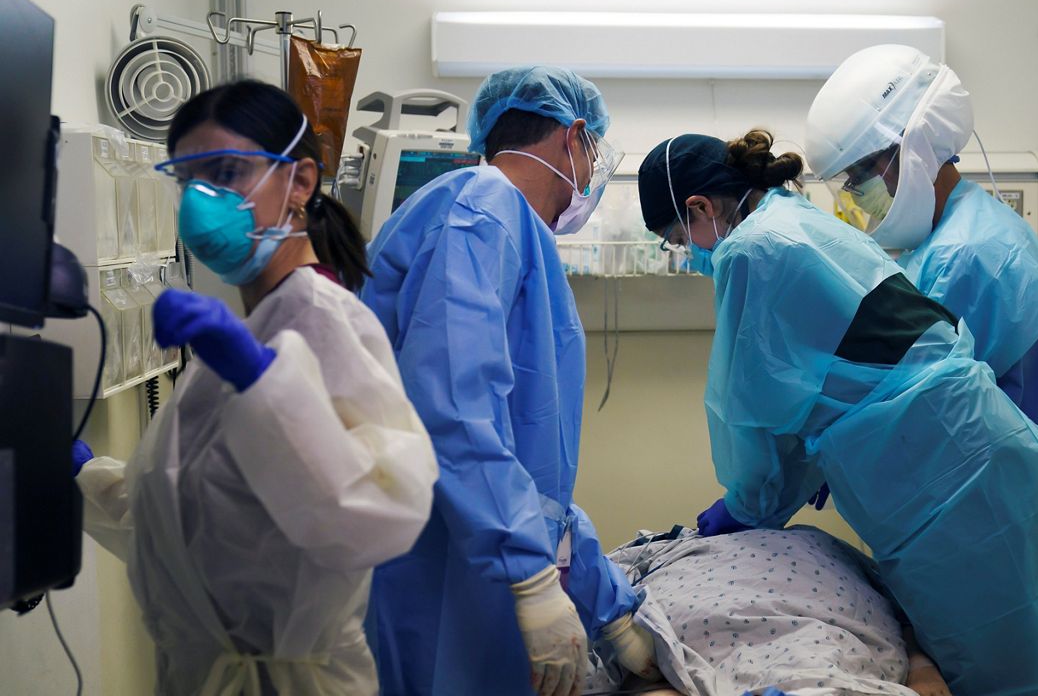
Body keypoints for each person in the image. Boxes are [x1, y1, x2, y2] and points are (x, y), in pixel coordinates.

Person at [636, 129, 1038, 696]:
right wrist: (821, 456)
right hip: (982, 449)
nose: (688, 255)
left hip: (950, 487)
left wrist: (746, 506)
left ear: (699, 208)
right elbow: (835, 378)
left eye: (678, 240)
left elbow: (758, 416)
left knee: (1007, 675)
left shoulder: (751, 250)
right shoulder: (797, 220)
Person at [72, 80, 439, 694]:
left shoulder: (323, 320)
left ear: (299, 182)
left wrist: (264, 383)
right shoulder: (248, 334)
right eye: (188, 180)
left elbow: (382, 516)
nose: (199, 201)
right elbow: (196, 527)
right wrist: (83, 475)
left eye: (227, 172)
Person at [360, 65, 657, 696]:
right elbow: (455, 412)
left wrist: (606, 607)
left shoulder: (509, 229)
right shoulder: (483, 211)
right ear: (575, 137)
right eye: (594, 149)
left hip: (475, 561)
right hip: (439, 571)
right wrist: (530, 576)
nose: (590, 169)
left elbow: (529, 466)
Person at [805, 43, 1038, 542]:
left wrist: (825, 450)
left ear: (914, 147)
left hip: (999, 517)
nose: (856, 194)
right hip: (988, 503)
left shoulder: (968, 252)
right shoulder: (952, 231)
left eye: (862, 175)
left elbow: (910, 403)